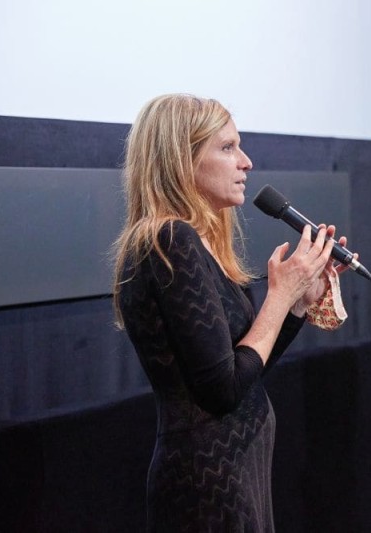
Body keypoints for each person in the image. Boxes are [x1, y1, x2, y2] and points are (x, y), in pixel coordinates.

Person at [112, 93, 353, 532]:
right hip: (205, 483)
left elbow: (244, 373)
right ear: (180, 159)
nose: (246, 162)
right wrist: (278, 296)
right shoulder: (169, 239)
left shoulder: (199, 244)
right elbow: (220, 391)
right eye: (227, 147)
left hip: (236, 473)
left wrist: (298, 302)